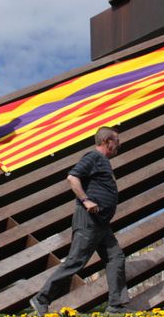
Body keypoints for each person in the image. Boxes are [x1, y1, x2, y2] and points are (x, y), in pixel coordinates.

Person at [30, 127, 129, 315]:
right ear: (107, 141)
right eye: (117, 140)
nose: (119, 144)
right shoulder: (94, 157)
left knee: (116, 257)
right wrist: (86, 200)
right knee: (76, 261)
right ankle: (41, 299)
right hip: (89, 220)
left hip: (101, 223)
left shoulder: (103, 162)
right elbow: (72, 177)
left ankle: (116, 305)